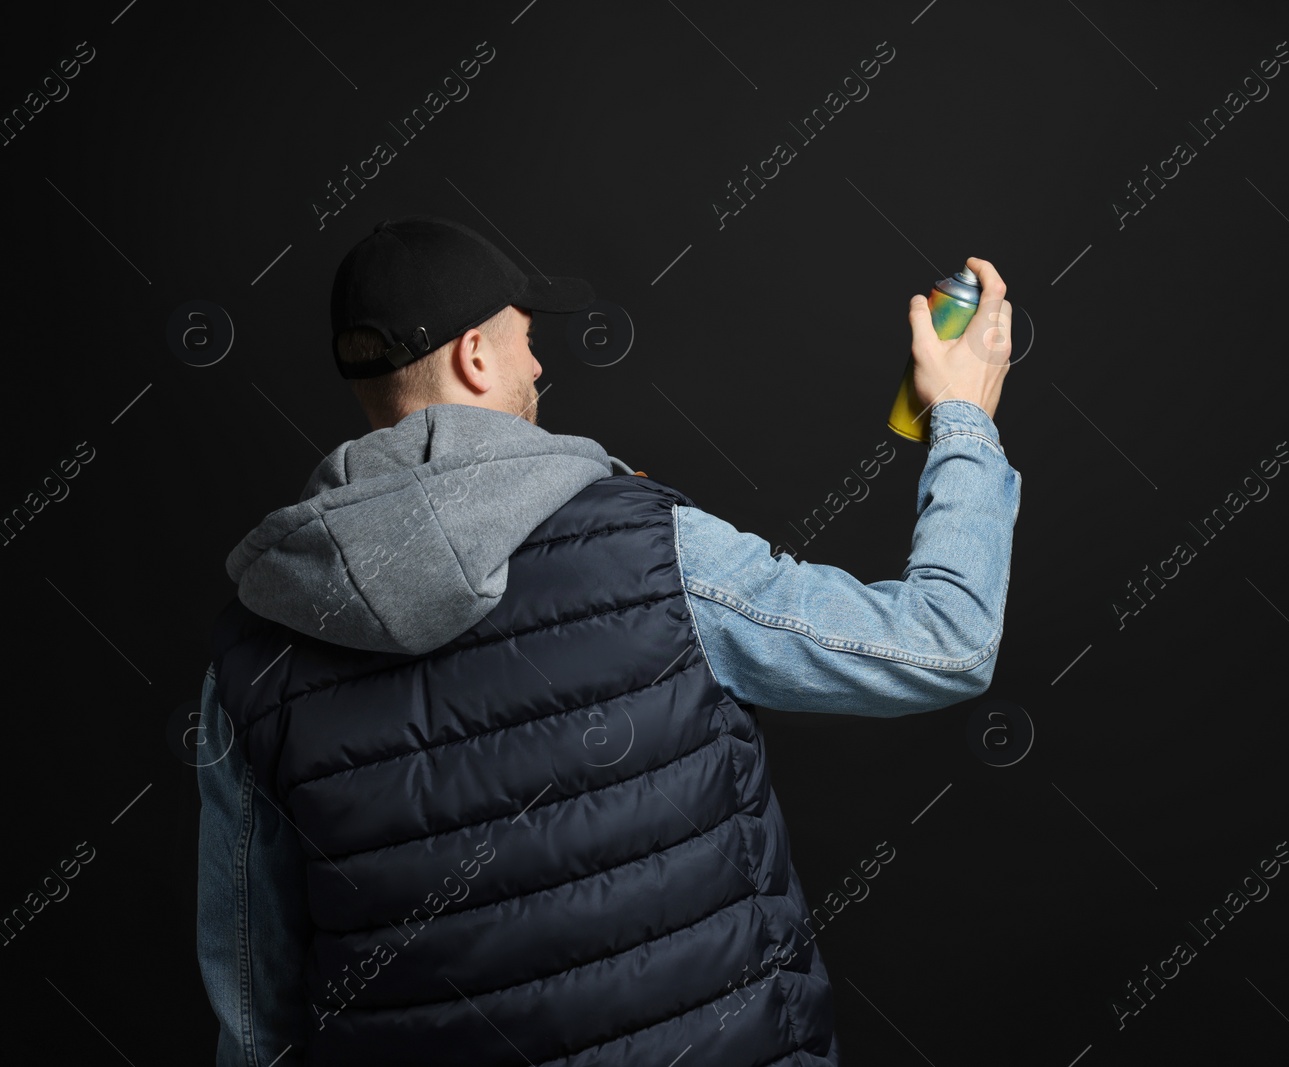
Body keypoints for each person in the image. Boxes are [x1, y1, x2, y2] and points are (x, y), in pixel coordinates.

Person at [196, 215, 1020, 1066]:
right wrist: (963, 416)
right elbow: (946, 638)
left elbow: (257, 1018)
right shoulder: (656, 551)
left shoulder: (256, 655)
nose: (541, 363)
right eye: (525, 338)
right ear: (475, 356)